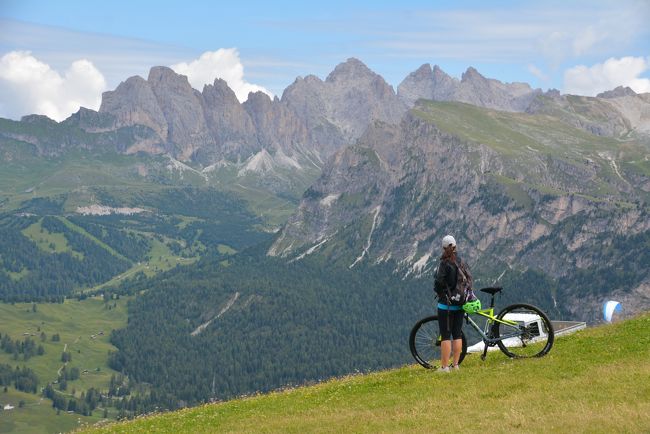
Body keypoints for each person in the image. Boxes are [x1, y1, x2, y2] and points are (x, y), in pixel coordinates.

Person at [433, 234, 470, 372]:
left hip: (446, 305)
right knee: (457, 334)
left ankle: (444, 367)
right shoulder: (462, 261)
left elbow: (439, 282)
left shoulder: (444, 263)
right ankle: (455, 365)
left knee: (446, 335)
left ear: (443, 248)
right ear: (455, 246)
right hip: (460, 303)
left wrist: (440, 293)